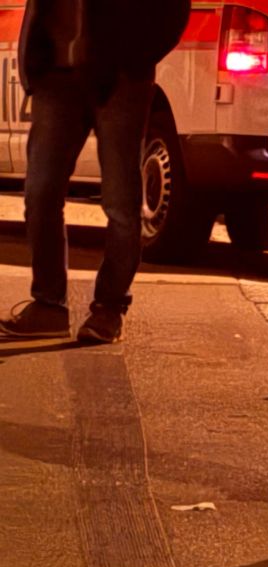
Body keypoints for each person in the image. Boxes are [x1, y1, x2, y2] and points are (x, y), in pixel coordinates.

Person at [0, 0, 190, 343]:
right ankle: (48, 305)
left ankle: (109, 308)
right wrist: (35, 64)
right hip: (56, 76)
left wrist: (135, 59)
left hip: (120, 79)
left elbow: (174, 10)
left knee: (120, 200)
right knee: (40, 193)